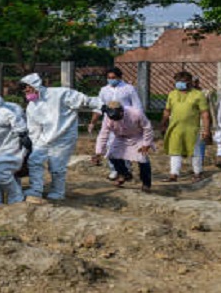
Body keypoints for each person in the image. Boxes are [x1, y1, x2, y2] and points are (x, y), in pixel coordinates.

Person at [21, 73, 103, 201]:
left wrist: (104, 106)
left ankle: (58, 192)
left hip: (64, 138)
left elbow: (85, 100)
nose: (25, 90)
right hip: (44, 138)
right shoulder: (32, 107)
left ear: (35, 86)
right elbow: (34, 128)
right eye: (24, 87)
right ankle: (36, 190)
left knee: (57, 167)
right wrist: (36, 144)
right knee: (34, 161)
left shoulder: (60, 94)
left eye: (27, 87)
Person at [88, 66, 142, 181]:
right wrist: (92, 122)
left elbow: (137, 106)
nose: (111, 80)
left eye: (113, 77)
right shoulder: (104, 90)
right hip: (109, 122)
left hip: (125, 122)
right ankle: (114, 170)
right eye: (109, 78)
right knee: (109, 146)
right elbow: (99, 107)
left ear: (119, 77)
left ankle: (126, 169)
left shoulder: (129, 89)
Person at [159, 71, 212, 182]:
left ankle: (198, 173)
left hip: (192, 129)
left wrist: (206, 130)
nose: (180, 84)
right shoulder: (172, 94)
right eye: (178, 81)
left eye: (183, 81)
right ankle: (174, 174)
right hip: (175, 128)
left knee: (195, 151)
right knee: (175, 151)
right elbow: (167, 111)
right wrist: (163, 124)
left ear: (189, 82)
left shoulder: (198, 95)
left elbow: (205, 114)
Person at [92, 100, 154, 192]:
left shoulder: (136, 113)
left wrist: (146, 144)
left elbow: (147, 128)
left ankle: (146, 183)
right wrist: (98, 153)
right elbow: (103, 134)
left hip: (137, 137)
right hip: (120, 137)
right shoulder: (108, 118)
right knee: (112, 155)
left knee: (143, 159)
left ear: (122, 111)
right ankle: (124, 173)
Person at [192, 75, 217, 168]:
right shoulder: (184, 93)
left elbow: (211, 108)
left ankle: (199, 164)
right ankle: (195, 164)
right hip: (189, 121)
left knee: (201, 142)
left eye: (195, 82)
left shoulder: (205, 93)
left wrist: (214, 123)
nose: (193, 84)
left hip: (202, 120)